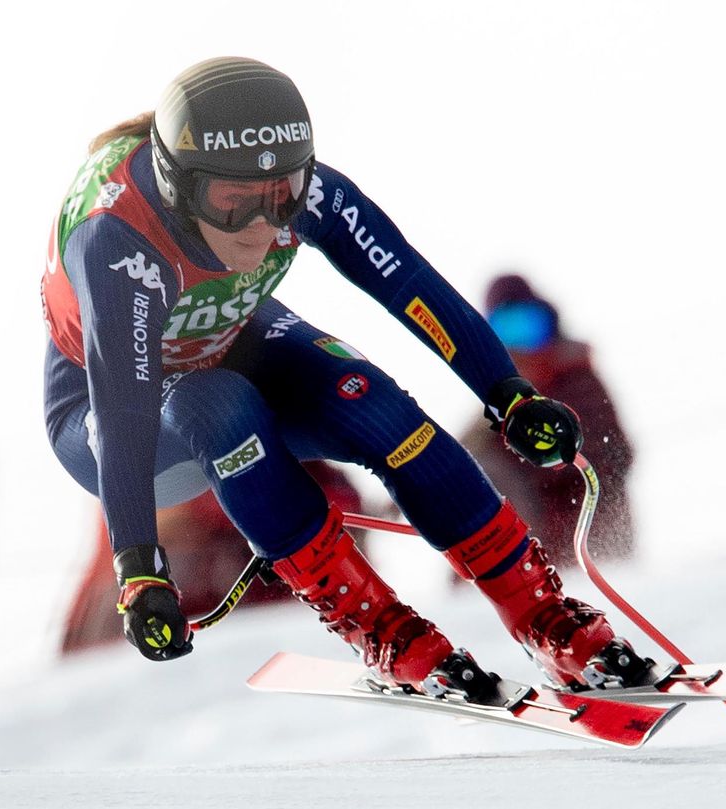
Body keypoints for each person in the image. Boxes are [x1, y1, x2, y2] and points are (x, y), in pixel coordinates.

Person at [40, 56, 653, 699]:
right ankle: (382, 630)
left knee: (370, 401)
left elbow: (407, 283)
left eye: (279, 199)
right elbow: (123, 414)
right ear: (175, 185)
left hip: (224, 333)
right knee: (218, 407)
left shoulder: (299, 189)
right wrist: (139, 570)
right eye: (232, 205)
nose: (259, 224)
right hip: (109, 403)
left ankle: (543, 617)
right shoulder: (117, 241)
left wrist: (509, 396)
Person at [59, 461, 362, 654]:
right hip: (152, 644)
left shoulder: (319, 477)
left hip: (284, 638)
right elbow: (161, 519)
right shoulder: (155, 470)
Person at [455, 273, 636, 562]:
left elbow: (614, 452)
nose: (521, 347)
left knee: (490, 469)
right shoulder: (506, 396)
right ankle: (487, 576)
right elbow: (463, 450)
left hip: (588, 536)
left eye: (529, 327)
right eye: (507, 333)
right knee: (478, 470)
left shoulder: (574, 378)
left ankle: (511, 565)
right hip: (533, 541)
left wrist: (546, 460)